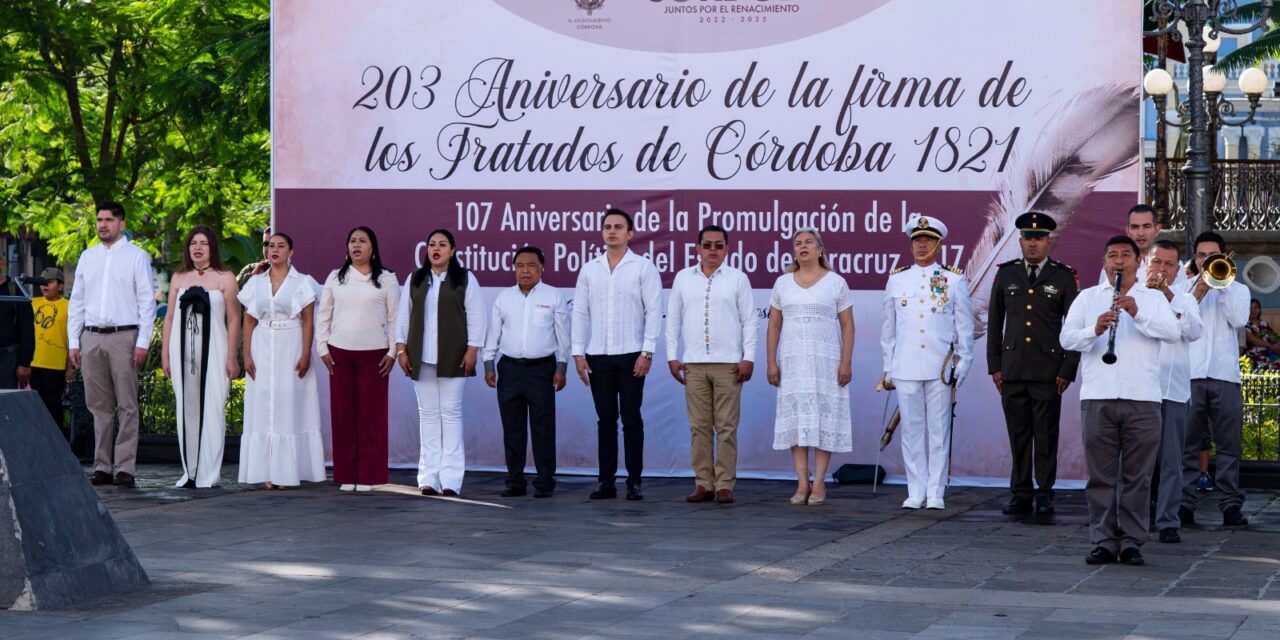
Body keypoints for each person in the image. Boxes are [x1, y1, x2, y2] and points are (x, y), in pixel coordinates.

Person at [1060, 235, 1179, 566]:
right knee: (1100, 476)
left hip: (1143, 400)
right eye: (1112, 255)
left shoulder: (1152, 298)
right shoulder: (1087, 298)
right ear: (1104, 262)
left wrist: (1137, 313)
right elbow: (1067, 339)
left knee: (1138, 478)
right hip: (1098, 398)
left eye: (1126, 255)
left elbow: (1172, 332)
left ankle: (1131, 542)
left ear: (1138, 262)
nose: (1119, 261)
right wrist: (1093, 331)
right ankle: (1102, 540)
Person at [988, 212, 1080, 516]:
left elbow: (1075, 326)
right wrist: (995, 366)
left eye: (1039, 238)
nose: (1032, 243)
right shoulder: (1006, 274)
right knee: (1018, 434)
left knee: (1045, 433)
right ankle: (1021, 492)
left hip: (1048, 371)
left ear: (1049, 241)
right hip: (1012, 368)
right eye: (1028, 237)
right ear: (1020, 240)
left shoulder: (1063, 276)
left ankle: (1044, 491)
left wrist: (1067, 369)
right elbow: (994, 323)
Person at [881, 216, 973, 510]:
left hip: (940, 367)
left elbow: (964, 329)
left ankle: (935, 492)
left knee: (938, 430)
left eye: (928, 240)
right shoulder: (897, 279)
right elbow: (888, 330)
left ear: (939, 244)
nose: (922, 245)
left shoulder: (953, 279)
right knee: (911, 430)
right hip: (906, 366)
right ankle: (915, 489)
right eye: (917, 240)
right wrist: (888, 368)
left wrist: (963, 364)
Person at [572, 208, 662, 501]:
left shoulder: (643, 267)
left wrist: (647, 351)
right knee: (605, 420)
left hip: (632, 353)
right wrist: (577, 353)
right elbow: (580, 312)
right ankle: (606, 482)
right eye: (608, 226)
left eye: (618, 227)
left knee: (632, 418)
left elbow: (653, 312)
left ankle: (634, 482)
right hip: (598, 354)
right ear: (602, 232)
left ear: (630, 233)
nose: (612, 231)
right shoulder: (590, 268)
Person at [68, 201, 157, 488]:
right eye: (99, 219)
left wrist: (142, 342)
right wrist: (74, 341)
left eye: (108, 219)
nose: (102, 224)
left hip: (124, 335)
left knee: (127, 405)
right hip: (91, 336)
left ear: (121, 223)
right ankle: (102, 466)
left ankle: (125, 467)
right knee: (98, 405)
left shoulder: (136, 256)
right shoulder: (87, 257)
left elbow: (147, 303)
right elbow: (77, 302)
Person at [667, 225, 758, 505]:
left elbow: (750, 321)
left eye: (719, 245)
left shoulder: (738, 279)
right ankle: (703, 482)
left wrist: (749, 357)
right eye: (707, 245)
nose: (713, 250)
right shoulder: (683, 278)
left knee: (727, 427)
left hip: (729, 365)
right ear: (697, 248)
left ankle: (725, 484)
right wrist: (672, 356)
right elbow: (673, 320)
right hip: (693, 364)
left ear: (728, 249)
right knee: (699, 426)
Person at [395, 229, 485, 497]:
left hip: (454, 355)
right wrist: (401, 349)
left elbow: (477, 317)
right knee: (428, 416)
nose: (436, 249)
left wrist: (472, 350)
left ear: (453, 250)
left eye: (442, 245)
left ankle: (451, 480)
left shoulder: (465, 279)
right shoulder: (416, 278)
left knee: (451, 414)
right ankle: (428, 478)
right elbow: (403, 317)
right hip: (420, 357)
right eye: (432, 244)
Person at [767, 228, 853, 506]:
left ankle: (819, 484)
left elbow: (848, 325)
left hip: (826, 362)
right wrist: (771, 361)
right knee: (797, 421)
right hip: (793, 362)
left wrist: (846, 362)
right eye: (797, 243)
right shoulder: (782, 283)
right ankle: (802, 482)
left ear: (820, 249)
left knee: (822, 420)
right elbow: (774, 324)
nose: (802, 247)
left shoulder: (836, 282)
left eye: (808, 243)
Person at [238, 232, 327, 489]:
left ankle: (289, 471)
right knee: (264, 403)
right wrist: (246, 355)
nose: (274, 250)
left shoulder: (303, 282)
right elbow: (248, 320)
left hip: (292, 342)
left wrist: (305, 352)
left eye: (281, 246)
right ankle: (266, 472)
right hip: (263, 343)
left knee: (289, 403)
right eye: (270, 246)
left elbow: (309, 320)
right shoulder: (255, 283)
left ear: (291, 251)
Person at [317, 226, 399, 493]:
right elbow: (324, 316)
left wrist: (392, 353)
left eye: (362, 241)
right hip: (339, 353)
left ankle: (369, 475)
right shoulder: (335, 278)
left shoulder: (386, 279)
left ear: (373, 247)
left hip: (375, 355)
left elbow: (395, 318)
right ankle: (346, 474)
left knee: (371, 418)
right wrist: (323, 349)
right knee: (344, 416)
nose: (357, 245)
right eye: (352, 241)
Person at [483, 246, 569, 498]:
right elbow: (493, 334)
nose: (525, 271)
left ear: (542, 268)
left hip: (541, 369)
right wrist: (488, 364)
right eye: (520, 265)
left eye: (531, 265)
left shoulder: (553, 296)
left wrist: (561, 367)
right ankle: (515, 481)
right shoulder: (504, 298)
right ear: (513, 269)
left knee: (543, 428)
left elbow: (563, 337)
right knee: (512, 428)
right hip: (509, 369)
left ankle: (544, 482)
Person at [1180, 231, 1251, 528]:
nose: (1206, 260)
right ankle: (1184, 504)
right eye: (1200, 255)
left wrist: (1220, 288)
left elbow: (1239, 321)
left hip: (1224, 375)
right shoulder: (1182, 287)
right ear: (1194, 258)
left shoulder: (1238, 290)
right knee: (1188, 444)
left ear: (1223, 256)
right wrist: (1197, 290)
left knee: (1229, 444)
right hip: (1190, 374)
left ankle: (1230, 505)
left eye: (1212, 255)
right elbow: (1179, 321)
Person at [161, 225, 241, 489]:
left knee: (213, 407)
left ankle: (209, 473)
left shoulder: (225, 278)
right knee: (186, 407)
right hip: (181, 349)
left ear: (212, 248)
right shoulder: (179, 278)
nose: (197, 247)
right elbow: (170, 317)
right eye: (193, 243)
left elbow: (234, 319)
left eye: (203, 243)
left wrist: (232, 357)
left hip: (215, 349)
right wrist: (165, 355)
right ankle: (190, 471)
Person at [1146, 240, 1203, 544]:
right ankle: (1134, 516)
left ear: (1178, 269)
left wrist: (1168, 296)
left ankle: (1168, 520)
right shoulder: (1134, 294)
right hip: (1139, 390)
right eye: (1157, 262)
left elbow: (1193, 331)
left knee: (1171, 461)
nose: (1162, 269)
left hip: (1173, 390)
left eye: (1169, 264)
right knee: (1136, 461)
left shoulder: (1185, 299)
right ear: (1146, 263)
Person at [1097, 204, 1185, 286]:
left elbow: (1179, 298)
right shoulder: (1113, 265)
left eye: (1146, 226)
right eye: (1135, 227)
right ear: (1128, 231)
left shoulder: (1172, 264)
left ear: (1157, 229)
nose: (1140, 233)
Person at [30, 268, 73, 434]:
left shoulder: (68, 307)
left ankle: (56, 443)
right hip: (33, 362)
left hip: (55, 365)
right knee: (34, 406)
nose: (45, 286)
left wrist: (69, 366)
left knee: (53, 406)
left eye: (50, 282)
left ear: (60, 286)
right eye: (42, 282)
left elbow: (72, 339)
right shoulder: (32, 303)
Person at [0, 258, 35, 389]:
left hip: (8, 359)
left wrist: (25, 363)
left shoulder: (15, 290)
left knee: (6, 405)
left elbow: (27, 329)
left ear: (1, 263)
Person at [1244, 298, 1279, 371]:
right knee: (1264, 365)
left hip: (1269, 353)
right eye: (1250, 308)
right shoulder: (1246, 323)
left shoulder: (1264, 323)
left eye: (1256, 307)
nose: (1253, 310)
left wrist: (1277, 343)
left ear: (1259, 310)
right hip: (1254, 355)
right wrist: (1270, 346)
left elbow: (1273, 337)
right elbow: (1251, 339)